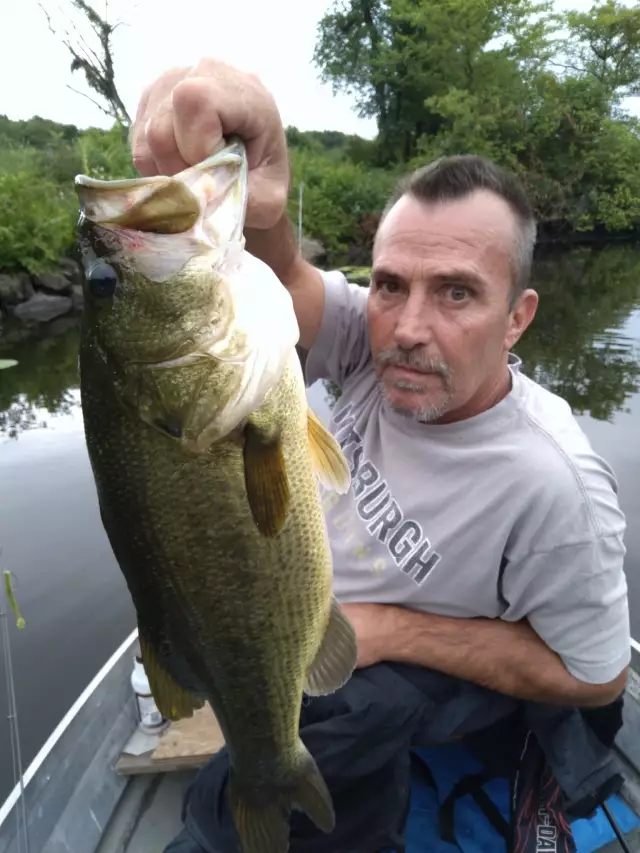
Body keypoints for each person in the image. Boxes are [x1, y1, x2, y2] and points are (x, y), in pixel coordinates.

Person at [130, 59, 632, 852]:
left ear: (518, 317)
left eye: (458, 292)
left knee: (349, 712)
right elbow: (279, 278)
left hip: (423, 673)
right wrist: (258, 181)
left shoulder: (552, 484)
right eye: (392, 282)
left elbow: (600, 675)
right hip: (296, 615)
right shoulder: (373, 339)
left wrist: (391, 630)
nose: (407, 327)